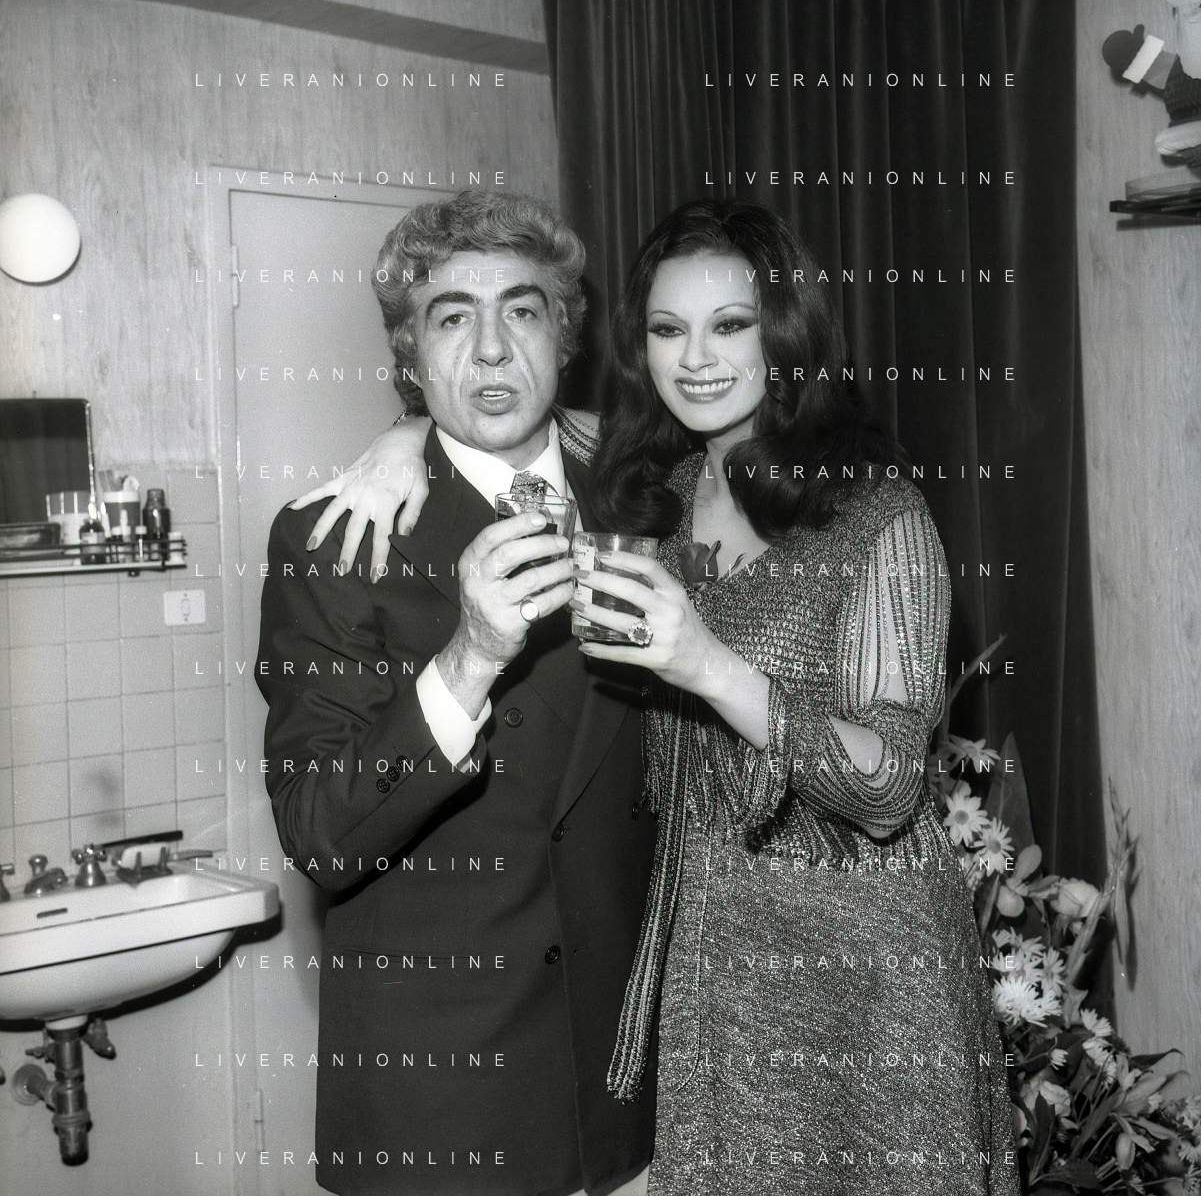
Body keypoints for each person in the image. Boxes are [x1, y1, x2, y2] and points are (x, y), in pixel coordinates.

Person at [301, 199, 1019, 1195]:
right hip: (704, 962)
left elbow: (893, 786)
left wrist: (704, 662)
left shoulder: (875, 512)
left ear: (785, 333)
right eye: (668, 329)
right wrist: (408, 431)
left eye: (732, 324)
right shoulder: (653, 493)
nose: (698, 359)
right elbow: (498, 403)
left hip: (859, 958)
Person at [255, 190, 657, 1196]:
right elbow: (318, 832)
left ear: (563, 336)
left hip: (628, 1084)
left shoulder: (644, 497)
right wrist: (468, 658)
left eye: (521, 310)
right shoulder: (332, 540)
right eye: (450, 318)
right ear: (410, 352)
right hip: (441, 1098)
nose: (489, 350)